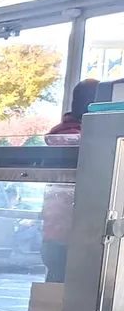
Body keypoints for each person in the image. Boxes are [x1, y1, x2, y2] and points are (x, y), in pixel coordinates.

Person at [40, 78, 98, 282]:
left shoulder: (61, 135)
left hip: (54, 234)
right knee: (69, 298)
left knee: (53, 295)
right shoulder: (85, 140)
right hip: (74, 236)